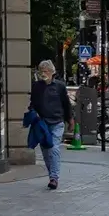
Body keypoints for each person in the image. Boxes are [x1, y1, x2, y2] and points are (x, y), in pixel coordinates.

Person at [28, 59, 72, 190]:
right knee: (46, 152)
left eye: (46, 71)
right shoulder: (36, 86)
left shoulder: (60, 86)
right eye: (41, 71)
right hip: (42, 124)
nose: (43, 73)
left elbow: (66, 104)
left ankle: (54, 178)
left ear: (52, 72)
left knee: (53, 148)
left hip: (57, 122)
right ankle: (52, 175)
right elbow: (33, 103)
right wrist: (32, 112)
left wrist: (70, 119)